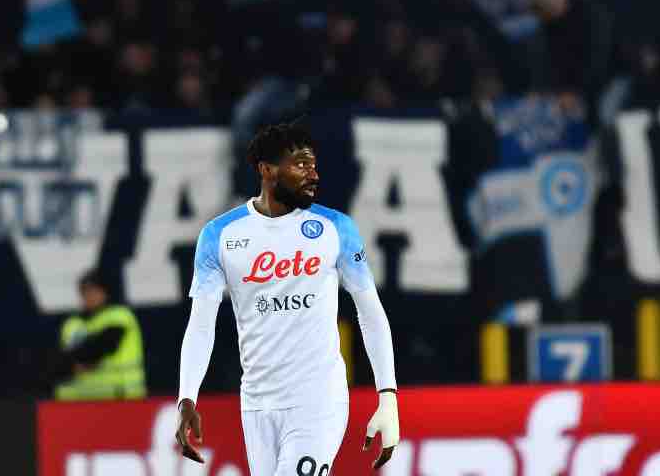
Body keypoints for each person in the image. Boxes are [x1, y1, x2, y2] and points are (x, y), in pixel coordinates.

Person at [175, 121, 400, 475]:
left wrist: (388, 395)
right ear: (267, 170)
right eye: (301, 165)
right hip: (257, 404)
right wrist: (186, 396)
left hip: (318, 399)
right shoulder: (219, 235)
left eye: (314, 165)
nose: (314, 175)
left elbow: (370, 311)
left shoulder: (335, 229)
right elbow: (201, 326)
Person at [54, 269, 147, 400]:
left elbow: (102, 346)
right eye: (84, 291)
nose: (89, 296)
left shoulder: (119, 316)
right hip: (79, 401)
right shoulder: (72, 324)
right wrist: (72, 362)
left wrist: (78, 360)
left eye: (93, 290)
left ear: (105, 292)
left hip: (120, 399)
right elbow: (61, 361)